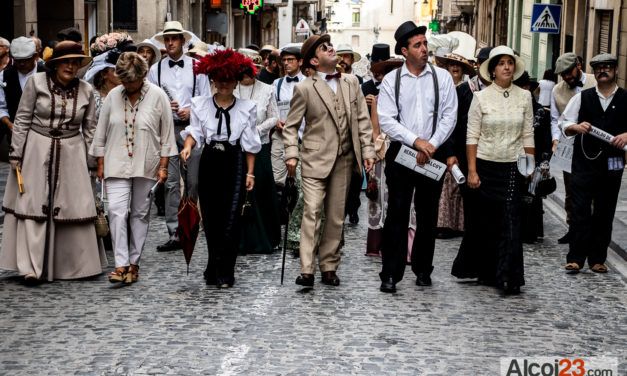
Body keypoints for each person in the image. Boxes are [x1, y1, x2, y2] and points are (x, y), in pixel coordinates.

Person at [0, 41, 107, 282]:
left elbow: (90, 129)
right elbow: (23, 119)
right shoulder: (36, 83)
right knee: (33, 205)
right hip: (36, 150)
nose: (71, 66)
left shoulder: (86, 90)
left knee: (73, 205)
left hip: (72, 151)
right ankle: (32, 267)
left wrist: (94, 162)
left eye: (75, 61)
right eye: (66, 61)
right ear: (55, 64)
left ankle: (74, 266)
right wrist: (16, 154)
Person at [283, 34, 375, 288]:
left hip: (344, 159)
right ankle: (307, 269)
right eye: (325, 48)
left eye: (330, 44)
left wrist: (367, 152)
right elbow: (291, 127)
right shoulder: (304, 88)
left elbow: (362, 121)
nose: (331, 48)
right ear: (314, 60)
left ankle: (329, 266)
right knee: (312, 211)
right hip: (314, 159)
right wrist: (291, 153)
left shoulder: (351, 82)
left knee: (335, 217)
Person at [377, 22, 457, 293]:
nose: (425, 49)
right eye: (418, 45)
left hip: (433, 153)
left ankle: (423, 268)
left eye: (425, 43)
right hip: (402, 153)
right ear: (404, 51)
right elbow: (386, 120)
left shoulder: (442, 78)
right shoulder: (392, 80)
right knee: (397, 214)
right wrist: (416, 142)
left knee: (427, 214)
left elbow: (449, 116)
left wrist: (431, 144)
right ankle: (390, 273)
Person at [90, 52, 177, 284]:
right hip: (115, 161)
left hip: (147, 163)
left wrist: (164, 166)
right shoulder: (112, 97)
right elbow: (101, 131)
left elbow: (167, 134)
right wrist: (99, 162)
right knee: (117, 212)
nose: (126, 85)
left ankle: (134, 263)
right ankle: (121, 265)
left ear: (143, 75)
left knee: (139, 213)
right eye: (123, 80)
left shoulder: (158, 96)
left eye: (131, 81)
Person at [180, 49, 261, 288]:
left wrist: (250, 173)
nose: (224, 84)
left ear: (236, 82)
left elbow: (250, 144)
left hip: (234, 162)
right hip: (209, 161)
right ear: (213, 80)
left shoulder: (247, 107)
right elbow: (195, 132)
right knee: (212, 218)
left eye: (229, 79)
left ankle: (227, 270)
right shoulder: (200, 104)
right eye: (219, 79)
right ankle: (212, 264)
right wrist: (187, 146)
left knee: (232, 217)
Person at [466, 46, 534, 295]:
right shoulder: (480, 98)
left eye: (510, 63)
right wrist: (472, 171)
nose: (507, 67)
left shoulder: (525, 97)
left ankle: (509, 276)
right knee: (489, 222)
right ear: (493, 70)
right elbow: (472, 136)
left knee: (512, 219)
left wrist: (530, 166)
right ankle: (488, 271)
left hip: (514, 166)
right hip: (486, 164)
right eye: (501, 63)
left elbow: (528, 134)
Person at [559, 54, 627, 274]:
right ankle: (576, 258)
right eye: (598, 68)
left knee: (604, 212)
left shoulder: (626, 98)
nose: (603, 71)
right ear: (594, 72)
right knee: (580, 211)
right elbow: (564, 122)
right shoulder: (582, 97)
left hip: (612, 165)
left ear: (616, 70)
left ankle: (598, 258)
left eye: (607, 67)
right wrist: (575, 127)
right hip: (584, 164)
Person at [148, 21, 210, 252]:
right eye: (167, 39)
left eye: (174, 38)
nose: (170, 42)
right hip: (168, 130)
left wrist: (190, 110)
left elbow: (206, 101)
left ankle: (191, 224)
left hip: (192, 130)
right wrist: (166, 107)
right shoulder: (155, 70)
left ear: (183, 41)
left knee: (193, 182)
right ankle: (175, 232)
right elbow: (152, 103)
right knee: (171, 183)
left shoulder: (197, 67)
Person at [450, 47, 493, 279]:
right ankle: (471, 265)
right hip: (468, 161)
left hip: (495, 160)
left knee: (493, 215)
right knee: (474, 214)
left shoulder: (502, 92)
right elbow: (454, 124)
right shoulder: (464, 91)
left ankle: (490, 266)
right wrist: (450, 155)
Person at [235, 57, 281, 254]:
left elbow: (274, 116)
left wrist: (257, 130)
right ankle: (239, 239)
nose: (245, 77)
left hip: (259, 146)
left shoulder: (266, 89)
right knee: (238, 193)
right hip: (236, 147)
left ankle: (265, 238)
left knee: (260, 191)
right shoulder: (232, 88)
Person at [362, 44, 404, 257]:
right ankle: (377, 244)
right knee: (379, 196)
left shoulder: (405, 96)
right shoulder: (376, 98)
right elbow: (373, 127)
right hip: (382, 150)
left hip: (404, 150)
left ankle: (399, 244)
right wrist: (374, 150)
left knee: (401, 199)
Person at [550, 53, 596, 244]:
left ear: (578, 65)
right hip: (569, 146)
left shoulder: (595, 82)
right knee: (571, 190)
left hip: (594, 146)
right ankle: (573, 228)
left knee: (594, 190)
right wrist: (555, 139)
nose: (566, 77)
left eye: (568, 72)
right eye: (562, 75)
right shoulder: (556, 90)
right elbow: (555, 119)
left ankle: (592, 231)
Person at [272, 44, 306, 252]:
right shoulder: (276, 84)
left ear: (300, 62)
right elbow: (273, 109)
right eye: (283, 60)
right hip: (280, 138)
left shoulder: (308, 83)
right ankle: (278, 231)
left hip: (302, 139)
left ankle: (296, 234)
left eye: (290, 60)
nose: (286, 64)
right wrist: (277, 121)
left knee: (300, 188)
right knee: (279, 184)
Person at [515, 71, 552, 244]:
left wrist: (544, 163)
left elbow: (546, 140)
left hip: (534, 161)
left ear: (528, 88)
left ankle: (531, 231)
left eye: (523, 86)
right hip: (513, 158)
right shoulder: (513, 108)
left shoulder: (541, 112)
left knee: (532, 196)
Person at [0, 37, 48, 148]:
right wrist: (10, 125)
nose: (21, 64)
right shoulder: (4, 76)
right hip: (16, 137)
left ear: (35, 56)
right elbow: (1, 106)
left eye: (25, 60)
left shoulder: (48, 73)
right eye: (17, 60)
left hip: (44, 136)